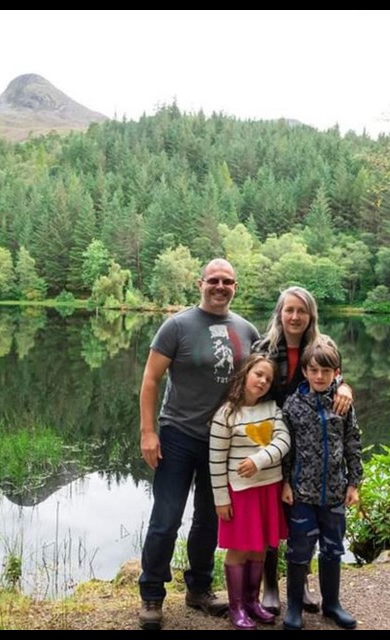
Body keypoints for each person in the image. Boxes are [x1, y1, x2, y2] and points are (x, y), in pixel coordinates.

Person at [138, 258, 261, 631]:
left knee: (209, 518)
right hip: (177, 434)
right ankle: (152, 595)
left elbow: (267, 378)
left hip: (223, 442)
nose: (220, 286)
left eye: (228, 281)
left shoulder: (247, 330)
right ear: (200, 283)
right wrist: (148, 433)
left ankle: (199, 589)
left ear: (235, 287)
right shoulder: (177, 326)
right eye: (214, 280)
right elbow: (149, 380)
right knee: (166, 517)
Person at [251, 286, 354, 615]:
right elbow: (250, 385)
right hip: (269, 438)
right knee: (271, 512)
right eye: (289, 310)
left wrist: (347, 387)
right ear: (280, 313)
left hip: (313, 442)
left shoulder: (320, 348)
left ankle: (305, 584)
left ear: (311, 316)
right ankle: (270, 585)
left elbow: (336, 377)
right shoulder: (263, 348)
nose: (295, 316)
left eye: (302, 311)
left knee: (304, 521)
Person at [280, 336, 363, 630]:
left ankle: (332, 604)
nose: (319, 376)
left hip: (335, 493)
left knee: (333, 548)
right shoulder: (292, 405)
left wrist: (354, 483)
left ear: (336, 373)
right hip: (302, 492)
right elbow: (285, 449)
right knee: (299, 549)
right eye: (313, 370)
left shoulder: (342, 404)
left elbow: (353, 442)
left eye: (325, 372)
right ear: (304, 371)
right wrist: (286, 484)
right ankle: (292, 608)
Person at [209, 353, 291, 629]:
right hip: (240, 492)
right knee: (240, 549)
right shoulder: (226, 414)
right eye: (258, 374)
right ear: (245, 373)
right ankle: (236, 608)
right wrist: (221, 498)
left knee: (261, 548)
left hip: (268, 489)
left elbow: (283, 441)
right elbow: (216, 461)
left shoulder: (272, 409)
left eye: (268, 379)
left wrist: (259, 460)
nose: (263, 381)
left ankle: (253, 602)